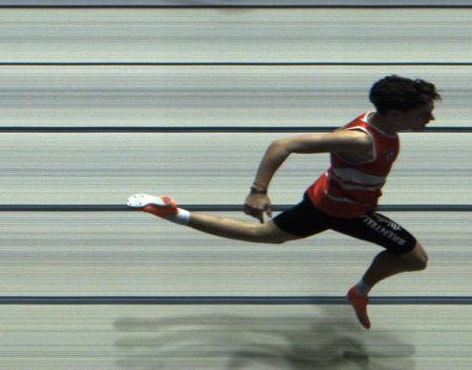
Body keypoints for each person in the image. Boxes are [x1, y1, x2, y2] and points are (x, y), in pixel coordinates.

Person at [128, 75, 438, 329]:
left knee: (262, 234)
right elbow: (283, 145)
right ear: (396, 115)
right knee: (416, 259)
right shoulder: (359, 139)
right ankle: (359, 292)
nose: (431, 118)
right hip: (348, 212)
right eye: (424, 113)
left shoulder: (377, 121)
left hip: (323, 199)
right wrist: (258, 191)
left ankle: (173, 212)